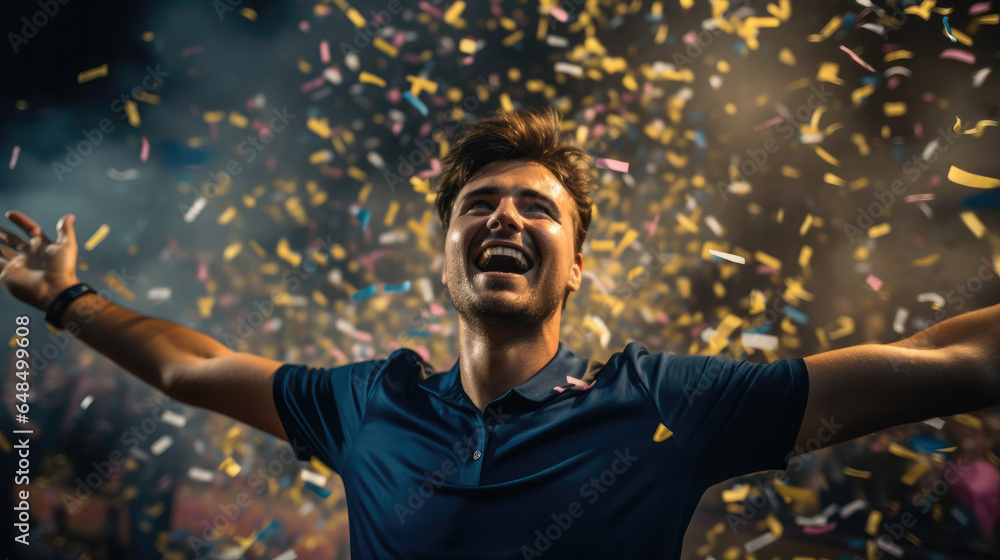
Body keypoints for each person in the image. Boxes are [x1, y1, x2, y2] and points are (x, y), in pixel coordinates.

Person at [2, 107, 998, 559]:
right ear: (444, 255)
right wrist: (65, 298)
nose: (506, 219)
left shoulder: (667, 404)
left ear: (576, 266)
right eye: (479, 204)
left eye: (539, 208)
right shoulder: (366, 403)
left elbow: (949, 362)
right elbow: (196, 364)